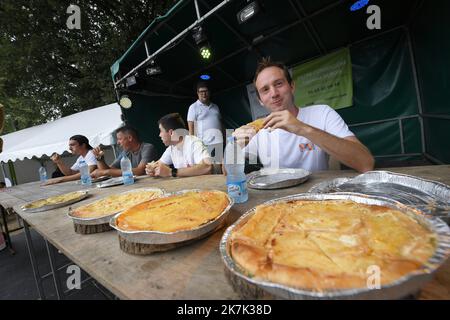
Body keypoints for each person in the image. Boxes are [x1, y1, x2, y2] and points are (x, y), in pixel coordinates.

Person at [233, 58, 374, 173]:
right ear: (260, 101)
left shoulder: (322, 113)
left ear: (292, 86)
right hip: (274, 202)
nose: (274, 93)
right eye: (265, 90)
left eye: (279, 84)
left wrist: (302, 128)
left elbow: (366, 163)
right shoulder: (257, 130)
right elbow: (227, 174)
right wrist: (234, 148)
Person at [145, 113, 212, 178]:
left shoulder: (194, 143)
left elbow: (207, 167)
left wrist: (171, 172)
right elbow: (158, 164)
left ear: (171, 132)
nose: (159, 135)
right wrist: (152, 169)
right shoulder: (172, 147)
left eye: (161, 131)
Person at [91, 126, 158, 178]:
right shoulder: (126, 152)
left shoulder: (147, 147)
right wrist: (100, 159)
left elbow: (140, 171)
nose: (118, 142)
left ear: (130, 138)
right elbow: (109, 169)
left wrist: (107, 172)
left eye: (120, 139)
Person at [187, 81, 224, 162]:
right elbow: (191, 129)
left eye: (206, 91)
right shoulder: (193, 107)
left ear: (209, 92)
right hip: (205, 144)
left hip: (219, 143)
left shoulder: (215, 106)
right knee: (210, 168)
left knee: (221, 167)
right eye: (201, 92)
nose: (204, 94)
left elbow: (221, 123)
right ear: (197, 93)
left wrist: (225, 138)